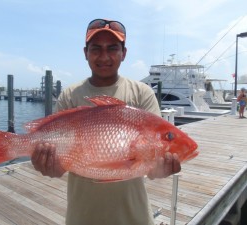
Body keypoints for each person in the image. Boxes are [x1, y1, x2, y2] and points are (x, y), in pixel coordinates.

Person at [31, 18, 181, 225]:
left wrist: (163, 168)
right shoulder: (69, 96)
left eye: (112, 48)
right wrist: (46, 166)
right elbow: (58, 170)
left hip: (134, 217)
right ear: (85, 53)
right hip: (81, 217)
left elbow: (152, 170)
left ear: (124, 53)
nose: (104, 56)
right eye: (96, 49)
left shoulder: (142, 93)